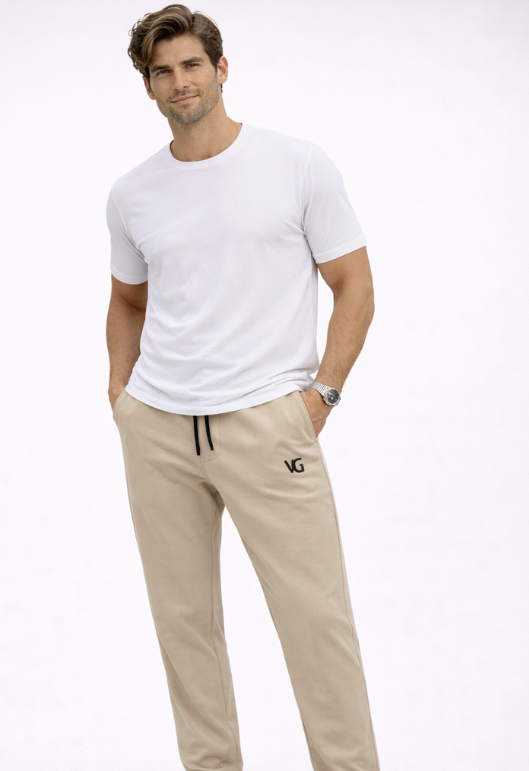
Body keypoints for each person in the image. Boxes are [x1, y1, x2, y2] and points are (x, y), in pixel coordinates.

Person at [105, 4, 380, 770]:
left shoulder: (295, 165)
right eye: (162, 72)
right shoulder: (132, 194)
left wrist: (321, 396)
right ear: (148, 87)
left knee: (315, 624)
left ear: (221, 69)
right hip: (159, 431)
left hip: (268, 425)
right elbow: (127, 299)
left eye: (191, 65)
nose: (179, 82)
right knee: (184, 629)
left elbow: (354, 285)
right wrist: (121, 394)